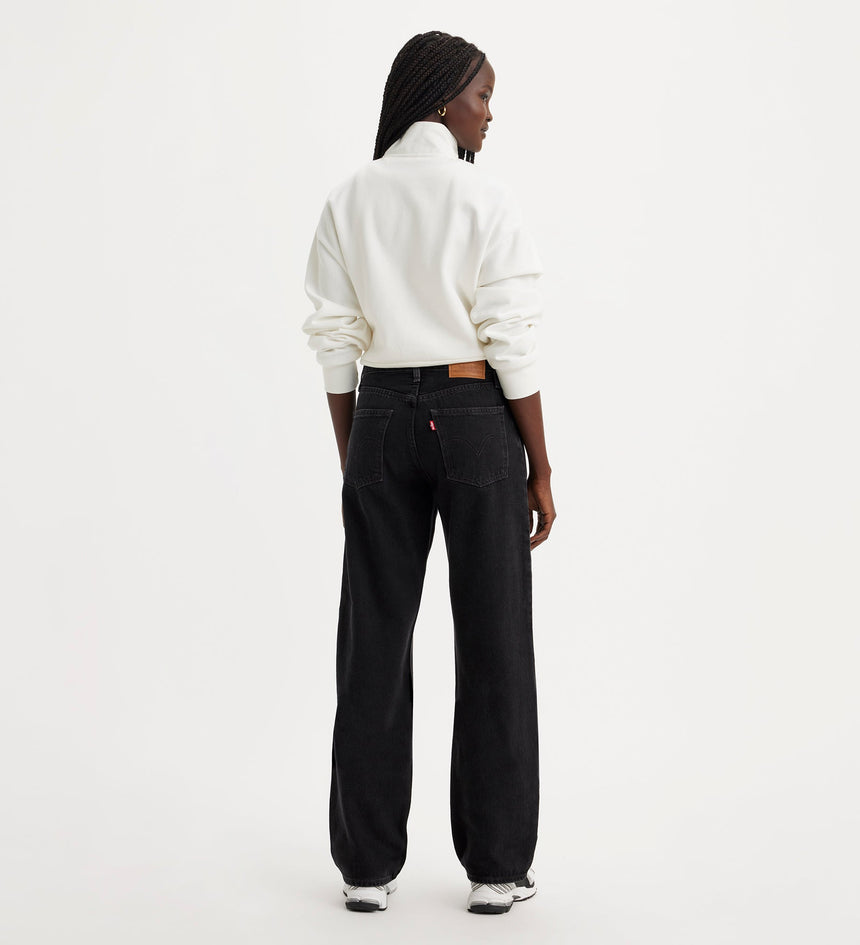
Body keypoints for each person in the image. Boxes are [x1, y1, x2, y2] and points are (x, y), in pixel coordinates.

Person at [301, 30, 557, 915]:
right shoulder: (484, 198)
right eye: (482, 96)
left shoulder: (349, 197)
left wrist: (355, 450)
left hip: (377, 413)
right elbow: (509, 336)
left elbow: (334, 338)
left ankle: (366, 868)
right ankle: (496, 867)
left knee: (372, 639)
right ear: (444, 97)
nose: (488, 115)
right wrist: (541, 464)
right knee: (494, 638)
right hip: (476, 415)